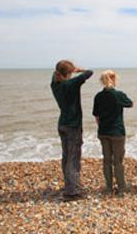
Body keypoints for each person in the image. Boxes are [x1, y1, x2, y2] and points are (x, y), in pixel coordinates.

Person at [50, 60, 93, 201]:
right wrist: (78, 70)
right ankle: (72, 192)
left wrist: (71, 70)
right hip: (73, 125)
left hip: (62, 124)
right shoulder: (71, 84)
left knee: (66, 155)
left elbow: (56, 74)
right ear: (69, 72)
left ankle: (69, 184)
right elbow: (89, 72)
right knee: (73, 158)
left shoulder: (55, 84)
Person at [92, 70, 133, 196]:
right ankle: (121, 187)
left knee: (107, 160)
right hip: (117, 131)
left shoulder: (98, 96)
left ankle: (109, 187)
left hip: (103, 131)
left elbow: (96, 116)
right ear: (114, 80)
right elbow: (130, 103)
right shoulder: (118, 95)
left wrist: (102, 126)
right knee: (118, 161)